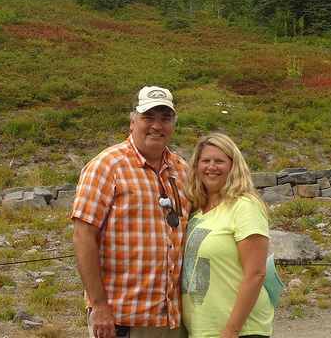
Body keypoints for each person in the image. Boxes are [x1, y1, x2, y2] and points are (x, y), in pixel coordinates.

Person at [72, 86, 191, 338]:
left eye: (165, 118)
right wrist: (99, 306)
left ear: (173, 125)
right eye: (148, 117)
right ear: (132, 121)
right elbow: (83, 237)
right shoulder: (106, 166)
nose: (156, 126)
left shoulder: (183, 171)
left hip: (173, 317)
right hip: (122, 318)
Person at [181, 132, 273, 338]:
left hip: (239, 331)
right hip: (202, 330)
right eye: (205, 161)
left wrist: (231, 331)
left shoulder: (245, 206)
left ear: (234, 166)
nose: (211, 167)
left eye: (219, 161)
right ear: (197, 167)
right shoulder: (197, 210)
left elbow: (256, 273)